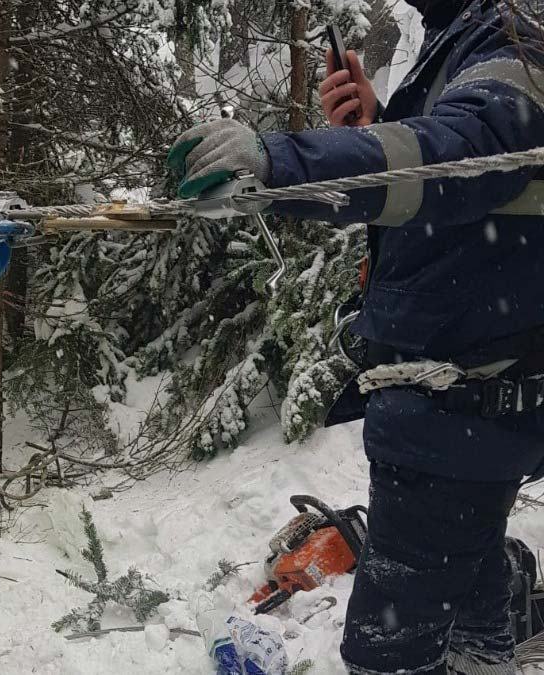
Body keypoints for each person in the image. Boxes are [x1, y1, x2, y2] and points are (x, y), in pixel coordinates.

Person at [168, 1, 544, 673]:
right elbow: (465, 173)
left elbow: (464, 156)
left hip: (462, 407)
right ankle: (484, 654)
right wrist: (377, 124)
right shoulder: (471, 27)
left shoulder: (523, 27)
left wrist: (283, 164)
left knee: (386, 651)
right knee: (467, 577)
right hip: (459, 406)